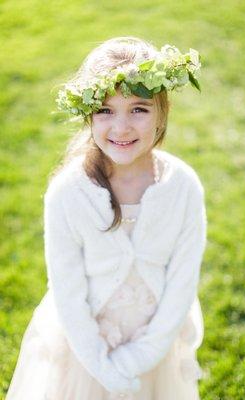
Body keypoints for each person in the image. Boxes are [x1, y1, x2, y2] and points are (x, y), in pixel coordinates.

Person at [5, 36, 207, 400]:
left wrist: (140, 356)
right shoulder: (68, 193)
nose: (122, 127)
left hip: (155, 344)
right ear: (88, 115)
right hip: (85, 347)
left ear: (162, 111)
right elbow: (67, 289)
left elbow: (183, 280)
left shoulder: (183, 187)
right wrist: (102, 365)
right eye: (105, 111)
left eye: (138, 109)